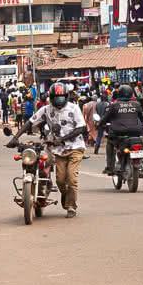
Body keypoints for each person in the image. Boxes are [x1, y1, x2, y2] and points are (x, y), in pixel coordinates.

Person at [21, 82, 90, 216]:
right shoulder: (47, 109)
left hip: (75, 147)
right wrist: (15, 137)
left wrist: (62, 139)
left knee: (71, 179)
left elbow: (81, 127)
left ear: (66, 96)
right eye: (57, 98)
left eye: (62, 98)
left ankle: (71, 207)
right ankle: (65, 195)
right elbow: (30, 122)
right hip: (58, 150)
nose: (59, 101)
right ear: (51, 98)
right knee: (60, 180)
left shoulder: (74, 108)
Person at [99, 84, 143, 175]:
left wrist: (99, 124)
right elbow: (142, 118)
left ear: (119, 93)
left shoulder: (114, 105)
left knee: (110, 143)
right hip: (136, 132)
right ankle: (140, 165)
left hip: (118, 133)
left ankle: (110, 167)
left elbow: (105, 118)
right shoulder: (136, 104)